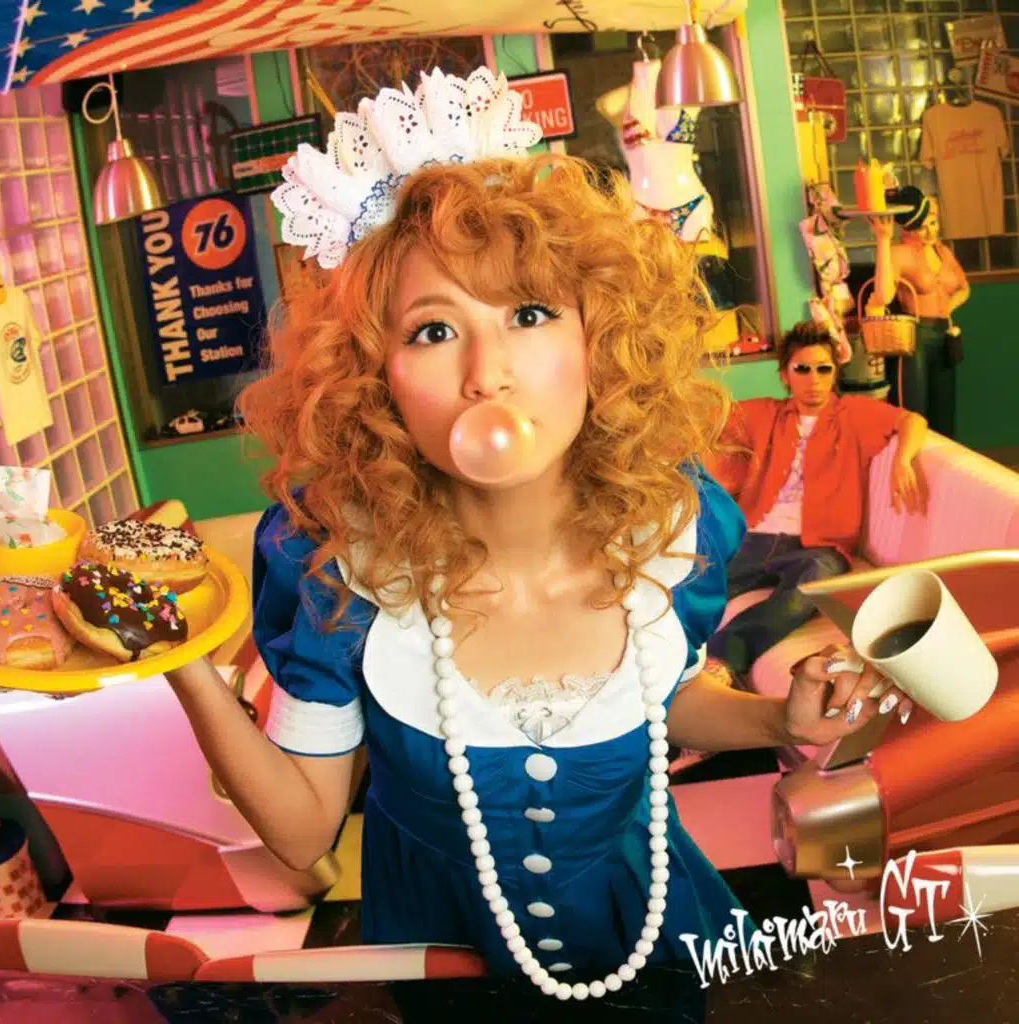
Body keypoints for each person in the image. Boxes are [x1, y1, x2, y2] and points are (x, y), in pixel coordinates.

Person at [163, 68, 912, 1022]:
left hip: (651, 944)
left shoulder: (671, 530)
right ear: (373, 377)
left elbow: (667, 701)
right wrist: (178, 658)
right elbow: (304, 831)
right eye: (434, 330)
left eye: (528, 314)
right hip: (443, 971)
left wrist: (780, 722)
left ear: (599, 336)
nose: (489, 374)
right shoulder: (338, 572)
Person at [705, 321, 928, 682]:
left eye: (824, 369)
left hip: (818, 547)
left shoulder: (853, 414)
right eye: (802, 369)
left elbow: (912, 421)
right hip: (755, 536)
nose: (814, 380)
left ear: (835, 372)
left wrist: (902, 459)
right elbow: (707, 415)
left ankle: (722, 659)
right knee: (699, 584)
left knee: (804, 594)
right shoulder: (766, 413)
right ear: (785, 375)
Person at [870, 186, 970, 438]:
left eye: (933, 223)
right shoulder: (898, 253)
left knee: (944, 413)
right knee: (915, 414)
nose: (931, 231)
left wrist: (949, 306)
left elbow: (964, 288)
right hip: (915, 336)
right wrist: (883, 241)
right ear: (908, 228)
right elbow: (883, 296)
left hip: (944, 333)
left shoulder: (942, 252)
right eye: (923, 227)